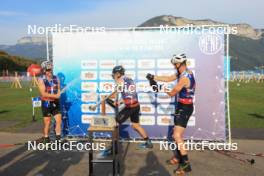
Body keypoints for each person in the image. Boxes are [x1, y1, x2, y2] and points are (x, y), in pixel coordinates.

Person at [146, 54, 195, 175]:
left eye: (175, 64)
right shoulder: (184, 72)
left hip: (185, 108)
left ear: (179, 64)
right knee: (175, 135)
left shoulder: (184, 77)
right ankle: (179, 158)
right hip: (182, 106)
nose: (174, 66)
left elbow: (172, 93)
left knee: (177, 136)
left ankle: (186, 164)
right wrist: (154, 77)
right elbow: (168, 79)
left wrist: (158, 88)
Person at [105, 65, 153, 149]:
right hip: (136, 105)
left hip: (130, 107)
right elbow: (128, 94)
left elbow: (116, 94)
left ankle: (113, 147)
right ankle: (148, 142)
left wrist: (107, 98)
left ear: (118, 74)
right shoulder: (129, 79)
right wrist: (117, 101)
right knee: (136, 126)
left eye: (114, 74)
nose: (113, 76)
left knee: (114, 124)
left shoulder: (120, 81)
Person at [38, 60, 62, 143]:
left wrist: (59, 93)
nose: (50, 71)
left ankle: (58, 139)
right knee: (47, 123)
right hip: (46, 103)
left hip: (55, 103)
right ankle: (46, 138)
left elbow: (58, 89)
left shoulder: (56, 78)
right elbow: (43, 93)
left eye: (51, 69)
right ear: (44, 71)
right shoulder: (41, 79)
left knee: (59, 120)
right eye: (48, 70)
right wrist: (56, 96)